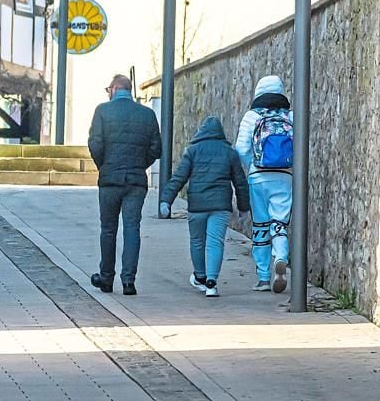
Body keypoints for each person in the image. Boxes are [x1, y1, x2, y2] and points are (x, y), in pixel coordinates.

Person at [158, 116, 250, 298]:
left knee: (197, 241)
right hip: (221, 206)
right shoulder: (229, 153)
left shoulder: (192, 151)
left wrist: (166, 200)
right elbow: (240, 182)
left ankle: (200, 276)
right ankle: (212, 282)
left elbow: (179, 177)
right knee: (215, 242)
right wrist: (243, 207)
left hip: (197, 206)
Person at [88, 74, 162, 296]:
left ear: (114, 89)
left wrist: (105, 165)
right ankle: (129, 281)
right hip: (136, 181)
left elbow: (95, 143)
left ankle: (106, 278)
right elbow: (155, 149)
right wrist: (139, 164)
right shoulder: (147, 114)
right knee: (132, 228)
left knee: (108, 229)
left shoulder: (102, 111)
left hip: (110, 179)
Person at [235, 75, 293, 294]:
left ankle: (263, 277)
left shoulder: (252, 116)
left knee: (260, 224)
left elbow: (241, 148)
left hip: (258, 177)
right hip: (284, 177)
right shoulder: (290, 116)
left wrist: (253, 165)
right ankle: (281, 257)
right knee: (279, 222)